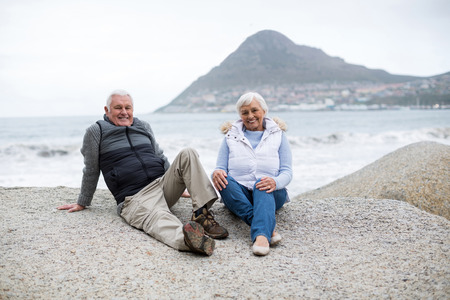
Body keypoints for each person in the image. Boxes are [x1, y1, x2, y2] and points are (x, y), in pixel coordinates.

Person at [58, 89, 228, 256]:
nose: (124, 112)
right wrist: (83, 201)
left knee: (188, 153)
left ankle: (202, 214)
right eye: (118, 108)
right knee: (160, 220)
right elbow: (91, 169)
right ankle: (189, 240)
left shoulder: (143, 126)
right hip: (136, 198)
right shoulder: (97, 131)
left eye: (128, 108)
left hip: (162, 185)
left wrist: (178, 184)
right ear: (107, 110)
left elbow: (160, 156)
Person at [212, 92, 292, 256]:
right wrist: (217, 172)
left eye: (254, 110)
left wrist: (275, 182)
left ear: (264, 111)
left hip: (271, 193)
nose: (250, 116)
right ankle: (267, 228)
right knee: (224, 179)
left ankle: (261, 236)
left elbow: (287, 172)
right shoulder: (230, 136)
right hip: (240, 195)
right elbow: (220, 167)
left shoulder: (278, 135)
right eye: (244, 112)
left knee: (261, 182)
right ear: (240, 115)